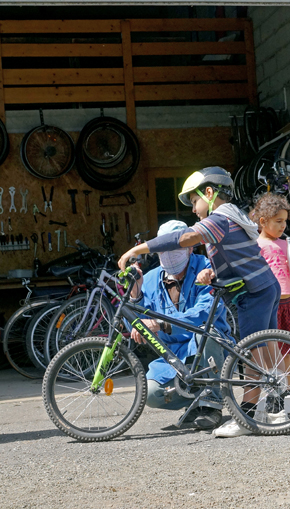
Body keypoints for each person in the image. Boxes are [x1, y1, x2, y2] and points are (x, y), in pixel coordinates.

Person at [118, 167, 280, 438]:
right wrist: (215, 273)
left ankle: (249, 415)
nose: (194, 209)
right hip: (263, 286)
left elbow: (183, 237)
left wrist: (139, 248)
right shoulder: (232, 218)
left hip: (253, 292)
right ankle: (278, 406)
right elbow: (237, 257)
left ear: (209, 192)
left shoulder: (219, 219)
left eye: (194, 201)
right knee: (266, 350)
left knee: (252, 353)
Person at [127, 220, 231, 430]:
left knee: (206, 334)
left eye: (174, 249)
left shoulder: (206, 268)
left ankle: (212, 405)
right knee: (152, 392)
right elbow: (131, 319)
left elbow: (205, 312)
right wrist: (135, 295)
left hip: (213, 348)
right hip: (174, 356)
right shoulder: (148, 279)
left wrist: (160, 324)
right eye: (162, 250)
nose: (168, 255)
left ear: (190, 247)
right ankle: (196, 402)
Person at [252, 193, 290, 373]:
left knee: (286, 351)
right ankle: (273, 388)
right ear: (263, 221)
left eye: (285, 221)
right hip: (270, 305)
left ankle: (287, 391)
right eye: (278, 221)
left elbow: (289, 270)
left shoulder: (285, 244)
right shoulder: (257, 246)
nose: (283, 225)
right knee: (270, 352)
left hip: (288, 304)